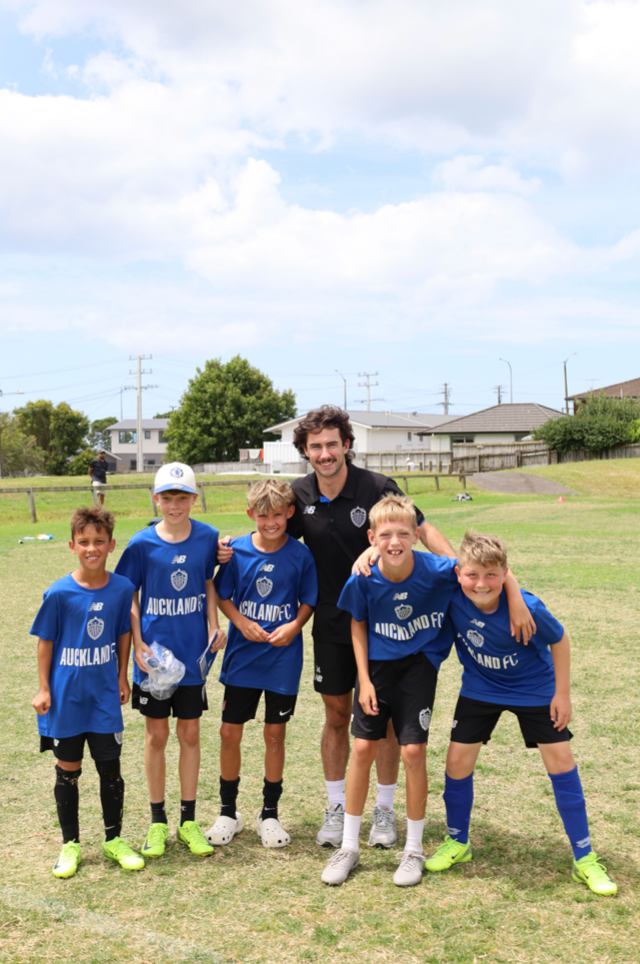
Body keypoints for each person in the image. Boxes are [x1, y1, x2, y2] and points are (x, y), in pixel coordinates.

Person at [219, 406, 457, 849]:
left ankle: (384, 811)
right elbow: (266, 529)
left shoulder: (377, 487)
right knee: (336, 716)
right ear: (305, 452)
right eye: (316, 447)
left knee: (380, 720)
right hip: (330, 623)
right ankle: (335, 808)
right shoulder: (297, 494)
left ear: (347, 444)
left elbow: (421, 529)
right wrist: (224, 548)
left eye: (332, 444)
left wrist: (459, 571)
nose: (325, 453)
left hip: (386, 627)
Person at [424, 531, 617, 897]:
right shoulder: (453, 591)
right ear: (459, 574)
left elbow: (559, 639)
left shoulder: (527, 606)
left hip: (534, 689)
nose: (481, 584)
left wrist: (562, 694)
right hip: (480, 688)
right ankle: (458, 842)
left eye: (492, 576)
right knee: (456, 762)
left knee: (560, 762)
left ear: (505, 574)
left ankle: (585, 858)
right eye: (472, 576)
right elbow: (421, 553)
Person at [321, 493, 459, 886]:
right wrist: (363, 679)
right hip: (376, 668)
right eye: (385, 535)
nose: (394, 541)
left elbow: (483, 569)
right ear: (371, 537)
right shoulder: (363, 577)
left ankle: (413, 850)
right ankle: (349, 845)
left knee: (412, 750)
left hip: (418, 665)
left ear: (417, 534)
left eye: (403, 533)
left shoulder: (438, 569)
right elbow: (357, 625)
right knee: (362, 747)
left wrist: (516, 598)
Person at [115, 462, 226, 859]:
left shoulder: (208, 537)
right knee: (156, 736)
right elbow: (128, 592)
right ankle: (157, 821)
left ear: (194, 499)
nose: (174, 505)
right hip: (156, 661)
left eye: (182, 497)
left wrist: (215, 625)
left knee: (191, 735)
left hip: (193, 656)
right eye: (167, 497)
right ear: (156, 499)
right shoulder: (142, 543)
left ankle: (189, 821)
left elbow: (210, 582)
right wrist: (140, 642)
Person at [31, 505, 144, 879]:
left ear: (111, 544)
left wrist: (122, 677)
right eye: (84, 542)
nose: (91, 548)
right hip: (66, 700)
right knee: (68, 770)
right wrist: (45, 688)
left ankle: (113, 840)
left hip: (103, 699)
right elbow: (45, 642)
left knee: (110, 770)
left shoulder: (123, 588)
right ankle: (71, 844)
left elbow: (123, 633)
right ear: (71, 545)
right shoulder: (59, 593)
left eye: (99, 541)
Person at [205, 480, 317, 849]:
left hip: (282, 658)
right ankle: (228, 811)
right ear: (251, 515)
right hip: (243, 658)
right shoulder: (235, 551)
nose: (271, 523)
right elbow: (222, 596)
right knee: (229, 732)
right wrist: (240, 622)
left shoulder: (300, 555)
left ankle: (269, 813)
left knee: (275, 734)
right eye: (263, 516)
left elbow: (308, 601)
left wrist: (295, 625)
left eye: (278, 516)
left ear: (290, 513)